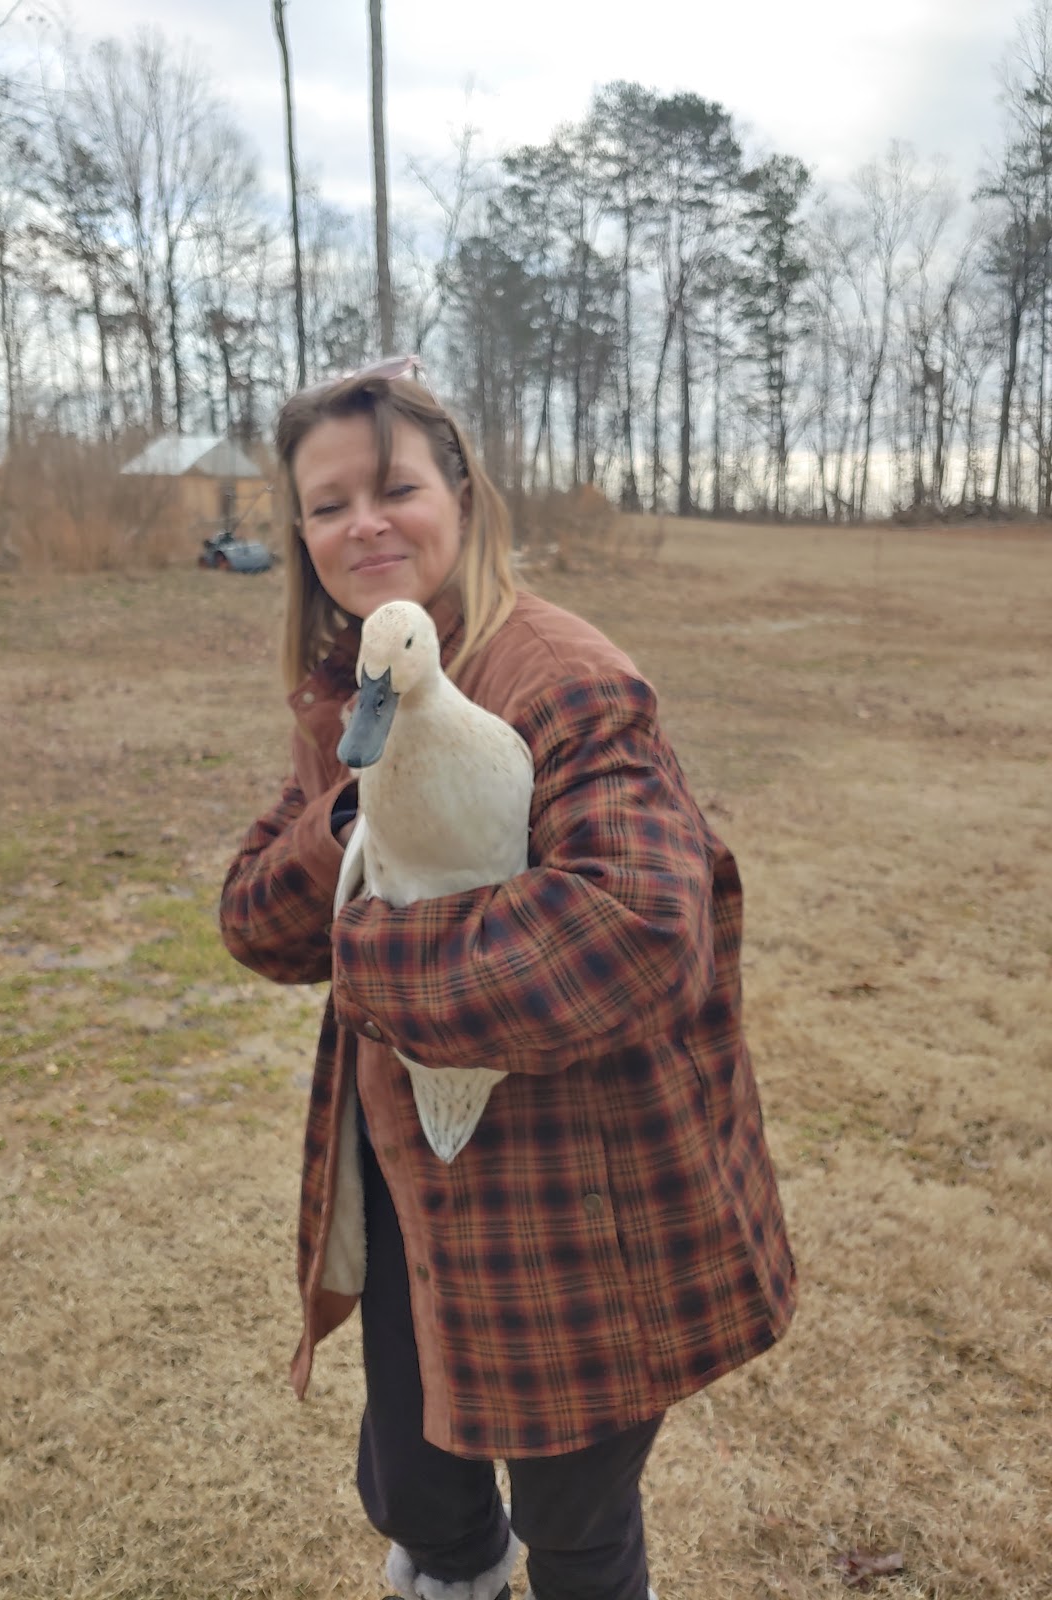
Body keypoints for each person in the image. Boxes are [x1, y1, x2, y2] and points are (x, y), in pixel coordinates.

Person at [219, 358, 796, 1600]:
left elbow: (633, 931)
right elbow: (255, 922)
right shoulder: (347, 696)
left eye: (393, 487)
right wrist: (346, 805)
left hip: (569, 1203)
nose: (361, 523)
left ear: (462, 496)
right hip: (410, 1172)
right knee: (422, 1483)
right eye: (326, 505)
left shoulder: (562, 679)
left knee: (575, 1521)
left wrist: (366, 952)